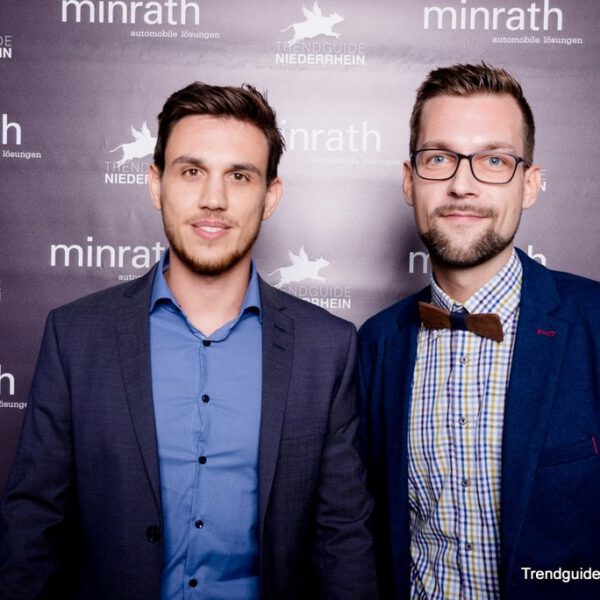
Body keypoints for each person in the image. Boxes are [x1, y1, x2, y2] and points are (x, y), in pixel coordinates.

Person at [0, 82, 377, 599]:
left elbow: (343, 541)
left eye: (239, 176)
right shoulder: (76, 336)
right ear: (156, 184)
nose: (213, 200)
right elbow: (33, 526)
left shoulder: (326, 348)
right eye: (192, 171)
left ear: (270, 196)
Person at [358, 63, 600, 599]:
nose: (462, 185)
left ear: (529, 185)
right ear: (409, 181)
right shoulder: (376, 344)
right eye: (438, 158)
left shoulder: (594, 324)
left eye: (494, 160)